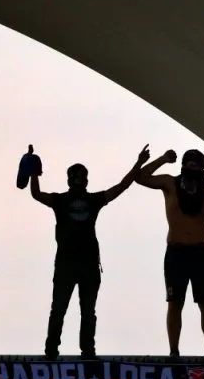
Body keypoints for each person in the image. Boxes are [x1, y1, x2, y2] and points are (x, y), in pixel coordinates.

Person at [28, 144, 150, 358]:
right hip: (74, 265)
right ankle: (63, 350)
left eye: (81, 177)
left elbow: (121, 186)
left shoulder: (73, 200)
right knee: (68, 310)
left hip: (81, 265)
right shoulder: (69, 200)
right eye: (79, 177)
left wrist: (33, 172)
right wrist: (33, 172)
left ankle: (73, 350)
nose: (80, 180)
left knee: (74, 311)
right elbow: (36, 194)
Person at [136, 148, 204, 360]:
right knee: (174, 302)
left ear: (203, 169)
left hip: (201, 252)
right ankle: (174, 351)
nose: (193, 169)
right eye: (190, 165)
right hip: (176, 252)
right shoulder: (170, 184)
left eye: (197, 166)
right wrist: (162, 159)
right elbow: (139, 177)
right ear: (184, 166)